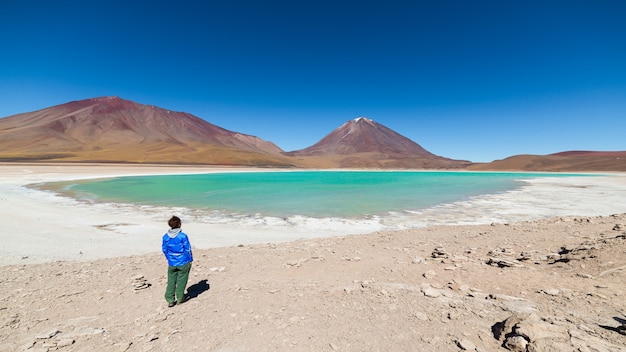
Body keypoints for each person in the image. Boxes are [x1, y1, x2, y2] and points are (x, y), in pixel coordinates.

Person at [162, 215, 193, 307]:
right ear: (179, 224)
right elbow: (187, 249)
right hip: (183, 261)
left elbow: (164, 249)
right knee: (182, 280)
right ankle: (180, 298)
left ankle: (170, 299)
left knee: (171, 281)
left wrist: (169, 258)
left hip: (172, 262)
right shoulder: (182, 236)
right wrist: (190, 259)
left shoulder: (165, 237)